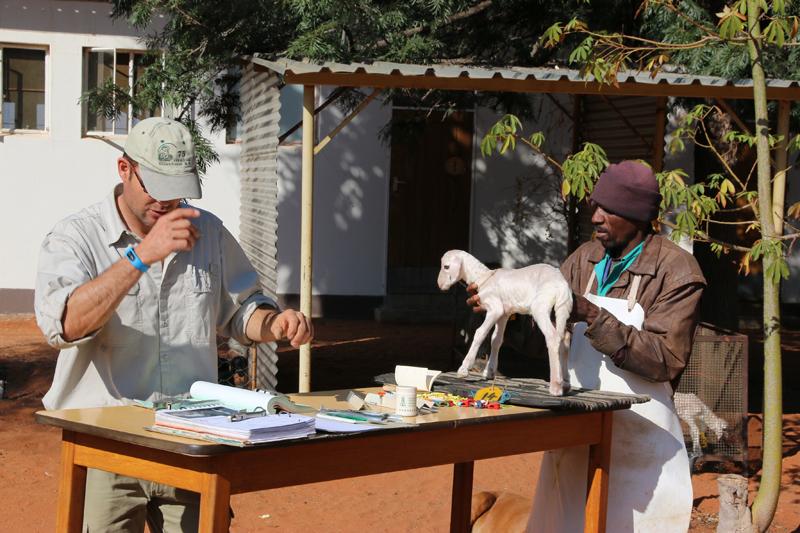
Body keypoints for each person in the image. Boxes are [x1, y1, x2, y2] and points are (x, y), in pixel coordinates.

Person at [35, 117, 313, 533]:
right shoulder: (75, 238)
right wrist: (140, 256)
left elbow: (241, 312)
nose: (167, 204)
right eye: (156, 188)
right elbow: (64, 326)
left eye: (177, 189)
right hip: (106, 443)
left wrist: (275, 323)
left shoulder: (209, 232)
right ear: (125, 170)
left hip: (190, 437)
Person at [467, 160, 706, 533]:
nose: (596, 216)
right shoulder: (583, 259)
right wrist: (507, 312)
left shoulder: (677, 271)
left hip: (640, 446)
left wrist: (593, 314)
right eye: (595, 206)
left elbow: (666, 360)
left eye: (608, 209)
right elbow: (540, 336)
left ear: (638, 216)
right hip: (575, 435)